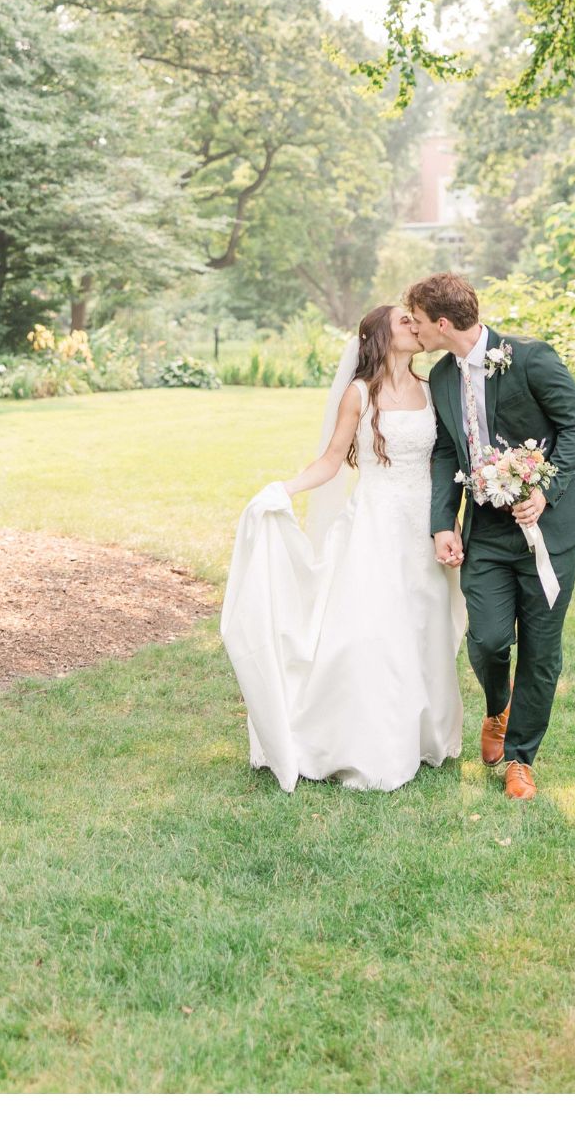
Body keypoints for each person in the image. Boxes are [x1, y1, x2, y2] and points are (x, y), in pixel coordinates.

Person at [220, 304, 465, 793]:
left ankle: (423, 737)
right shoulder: (359, 394)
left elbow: (445, 457)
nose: (415, 327)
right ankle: (367, 744)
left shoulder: (432, 387)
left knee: (427, 624)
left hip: (425, 524)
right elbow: (332, 460)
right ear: (379, 337)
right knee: (373, 633)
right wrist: (283, 489)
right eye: (404, 322)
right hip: (375, 525)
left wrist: (450, 520)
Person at [404, 272, 575, 802]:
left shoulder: (531, 357)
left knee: (542, 649)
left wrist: (546, 489)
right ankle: (498, 708)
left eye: (418, 322)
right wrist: (443, 522)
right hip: (485, 531)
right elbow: (447, 451)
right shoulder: (442, 377)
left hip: (549, 529)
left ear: (442, 323)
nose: (414, 331)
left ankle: (520, 759)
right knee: (488, 640)